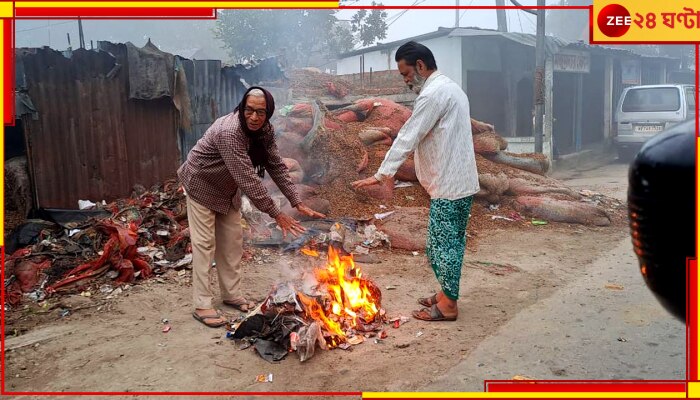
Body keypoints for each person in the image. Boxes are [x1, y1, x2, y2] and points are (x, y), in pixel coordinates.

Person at [351, 41, 479, 322]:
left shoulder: (433, 95)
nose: (406, 80)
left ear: (420, 66)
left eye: (406, 73)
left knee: (441, 246)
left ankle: (448, 307)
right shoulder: (450, 87)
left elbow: (408, 136)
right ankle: (446, 295)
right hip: (455, 180)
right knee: (447, 244)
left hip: (450, 184)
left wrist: (381, 174)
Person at [178, 86, 325, 328]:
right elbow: (248, 179)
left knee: (232, 242)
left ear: (268, 113)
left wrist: (296, 201)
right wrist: (277, 214)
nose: (254, 117)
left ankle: (230, 294)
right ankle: (202, 304)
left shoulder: (264, 130)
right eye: (249, 111)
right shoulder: (230, 132)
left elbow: (275, 165)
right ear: (242, 109)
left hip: (226, 189)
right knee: (205, 244)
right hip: (201, 184)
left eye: (261, 112)